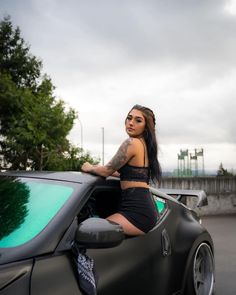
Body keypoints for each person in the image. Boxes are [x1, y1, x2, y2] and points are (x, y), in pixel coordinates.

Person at [81, 104, 162, 236]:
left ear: (146, 127)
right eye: (129, 118)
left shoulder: (132, 143)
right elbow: (120, 172)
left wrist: (89, 167)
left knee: (90, 232)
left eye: (138, 120)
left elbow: (106, 171)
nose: (131, 123)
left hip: (137, 213)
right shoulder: (143, 145)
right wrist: (96, 167)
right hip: (140, 210)